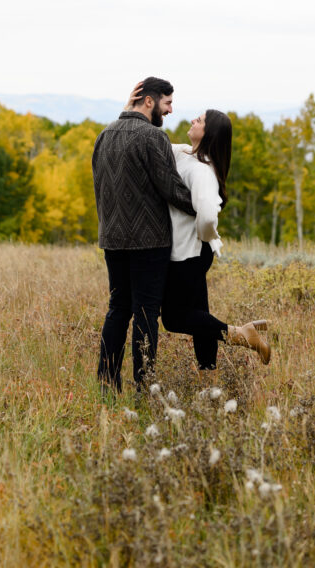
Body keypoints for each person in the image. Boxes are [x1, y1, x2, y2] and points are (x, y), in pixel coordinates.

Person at [92, 76, 196, 393]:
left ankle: (107, 386)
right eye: (167, 103)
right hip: (149, 242)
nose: (171, 110)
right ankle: (144, 387)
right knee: (146, 313)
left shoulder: (104, 135)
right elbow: (172, 189)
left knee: (118, 309)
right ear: (149, 101)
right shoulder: (152, 138)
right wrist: (204, 207)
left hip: (112, 239)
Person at [161, 108, 271, 372]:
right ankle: (208, 371)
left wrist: (205, 237)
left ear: (208, 132)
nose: (192, 120)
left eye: (199, 120)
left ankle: (241, 334)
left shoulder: (203, 171)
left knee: (174, 318)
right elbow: (156, 141)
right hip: (193, 252)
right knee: (198, 310)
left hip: (190, 253)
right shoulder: (185, 153)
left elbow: (209, 216)